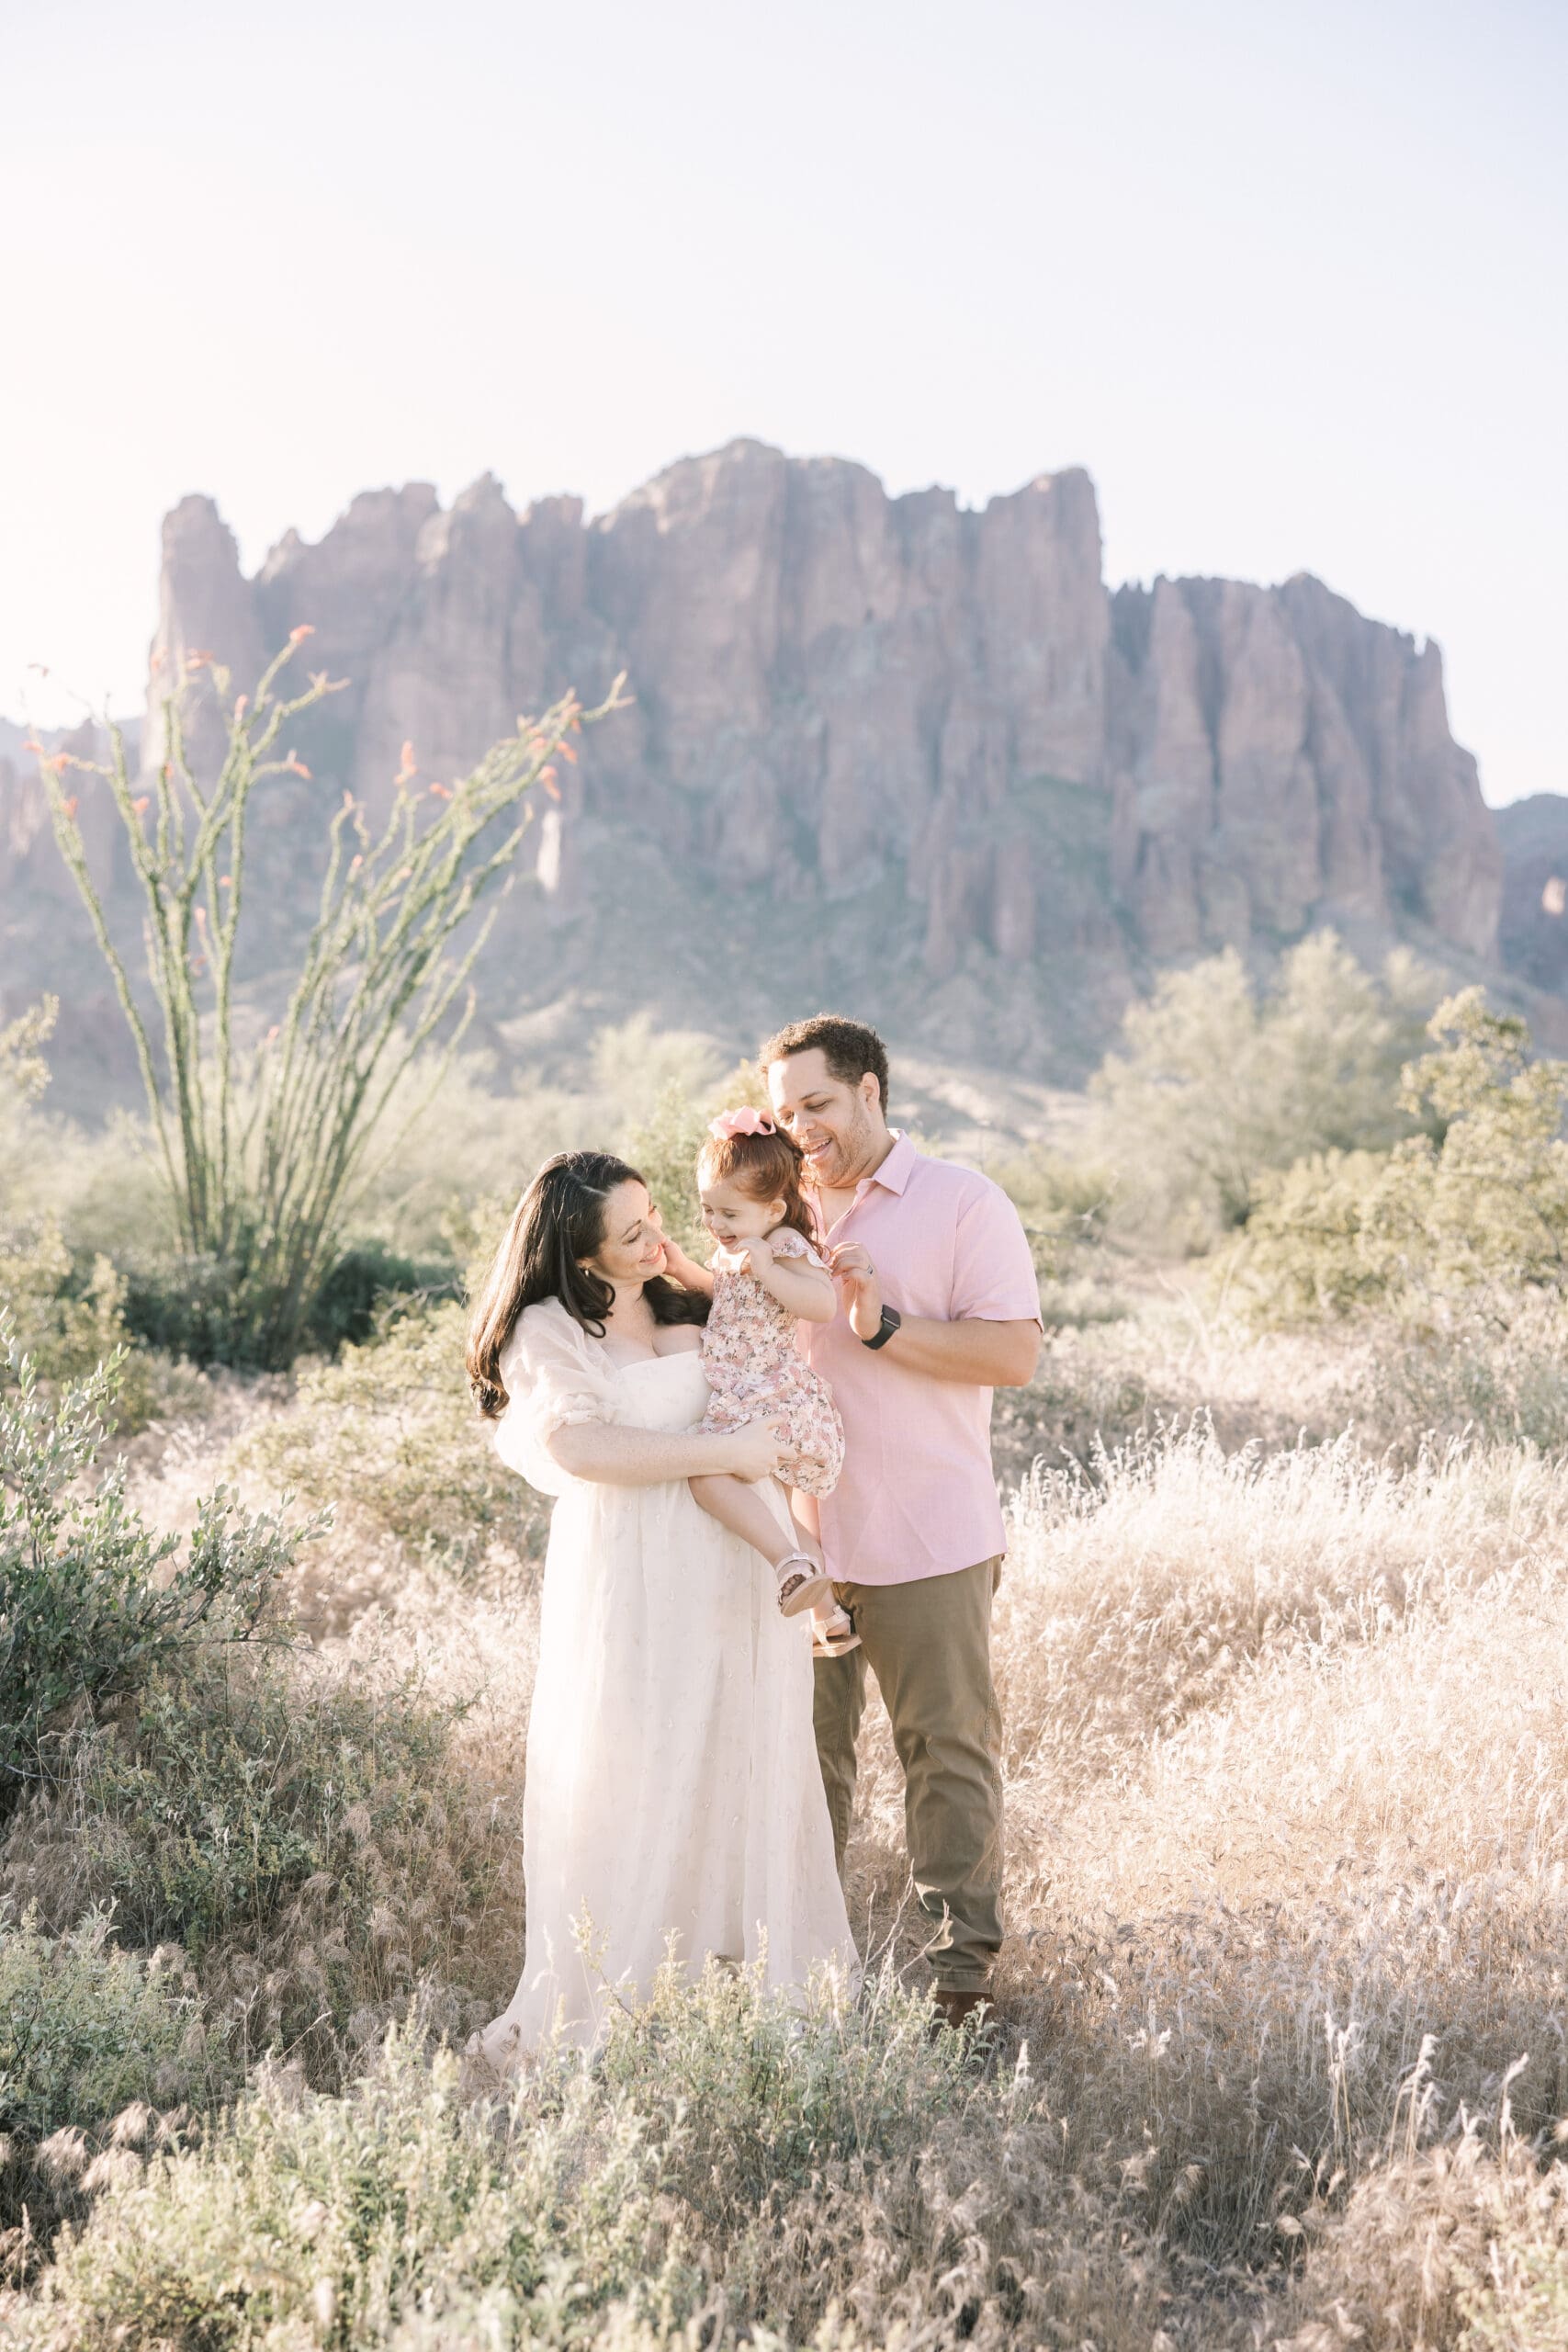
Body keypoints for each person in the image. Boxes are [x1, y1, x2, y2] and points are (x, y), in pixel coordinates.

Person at [465, 1148, 857, 2064]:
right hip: (633, 1575)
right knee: (632, 1774)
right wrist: (730, 1456)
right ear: (580, 1251)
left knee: (734, 1759)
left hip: (729, 1569)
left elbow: (769, 1354)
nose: (657, 1236)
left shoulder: (684, 1296)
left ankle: (736, 1992)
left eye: (652, 1217)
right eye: (630, 1232)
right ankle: (619, 1997)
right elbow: (582, 1446)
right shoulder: (547, 1328)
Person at [761, 1014, 1042, 2031]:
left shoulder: (964, 1201)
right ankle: (800, 1977)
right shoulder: (772, 1207)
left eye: (819, 1105)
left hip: (930, 1533)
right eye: (786, 1113)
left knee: (946, 1751)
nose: (804, 1129)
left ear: (870, 1090)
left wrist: (878, 1325)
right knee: (799, 1758)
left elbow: (1012, 1354)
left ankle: (959, 1988)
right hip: (795, 1546)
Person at [660, 1106, 860, 1657]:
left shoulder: (785, 1245)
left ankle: (789, 1566)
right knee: (776, 1506)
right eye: (707, 1210)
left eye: (728, 1211)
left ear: (773, 1208)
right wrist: (683, 1268)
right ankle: (828, 1615)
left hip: (770, 1396)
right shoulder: (738, 1249)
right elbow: (728, 1296)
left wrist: (769, 1265)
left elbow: (820, 1304)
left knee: (705, 1475)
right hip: (748, 1394)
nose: (716, 1224)